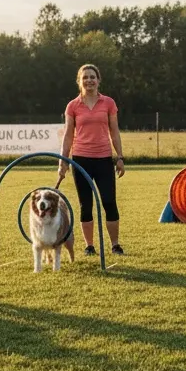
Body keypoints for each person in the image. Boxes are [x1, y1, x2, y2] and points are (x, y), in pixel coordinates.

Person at [58, 63, 125, 256]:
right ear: (79, 81)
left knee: (109, 202)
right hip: (80, 161)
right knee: (85, 205)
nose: (89, 80)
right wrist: (62, 161)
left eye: (92, 77)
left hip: (104, 159)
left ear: (98, 80)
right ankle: (89, 246)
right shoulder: (73, 106)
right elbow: (68, 135)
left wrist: (119, 157)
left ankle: (115, 244)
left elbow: (114, 131)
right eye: (85, 77)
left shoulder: (108, 103)